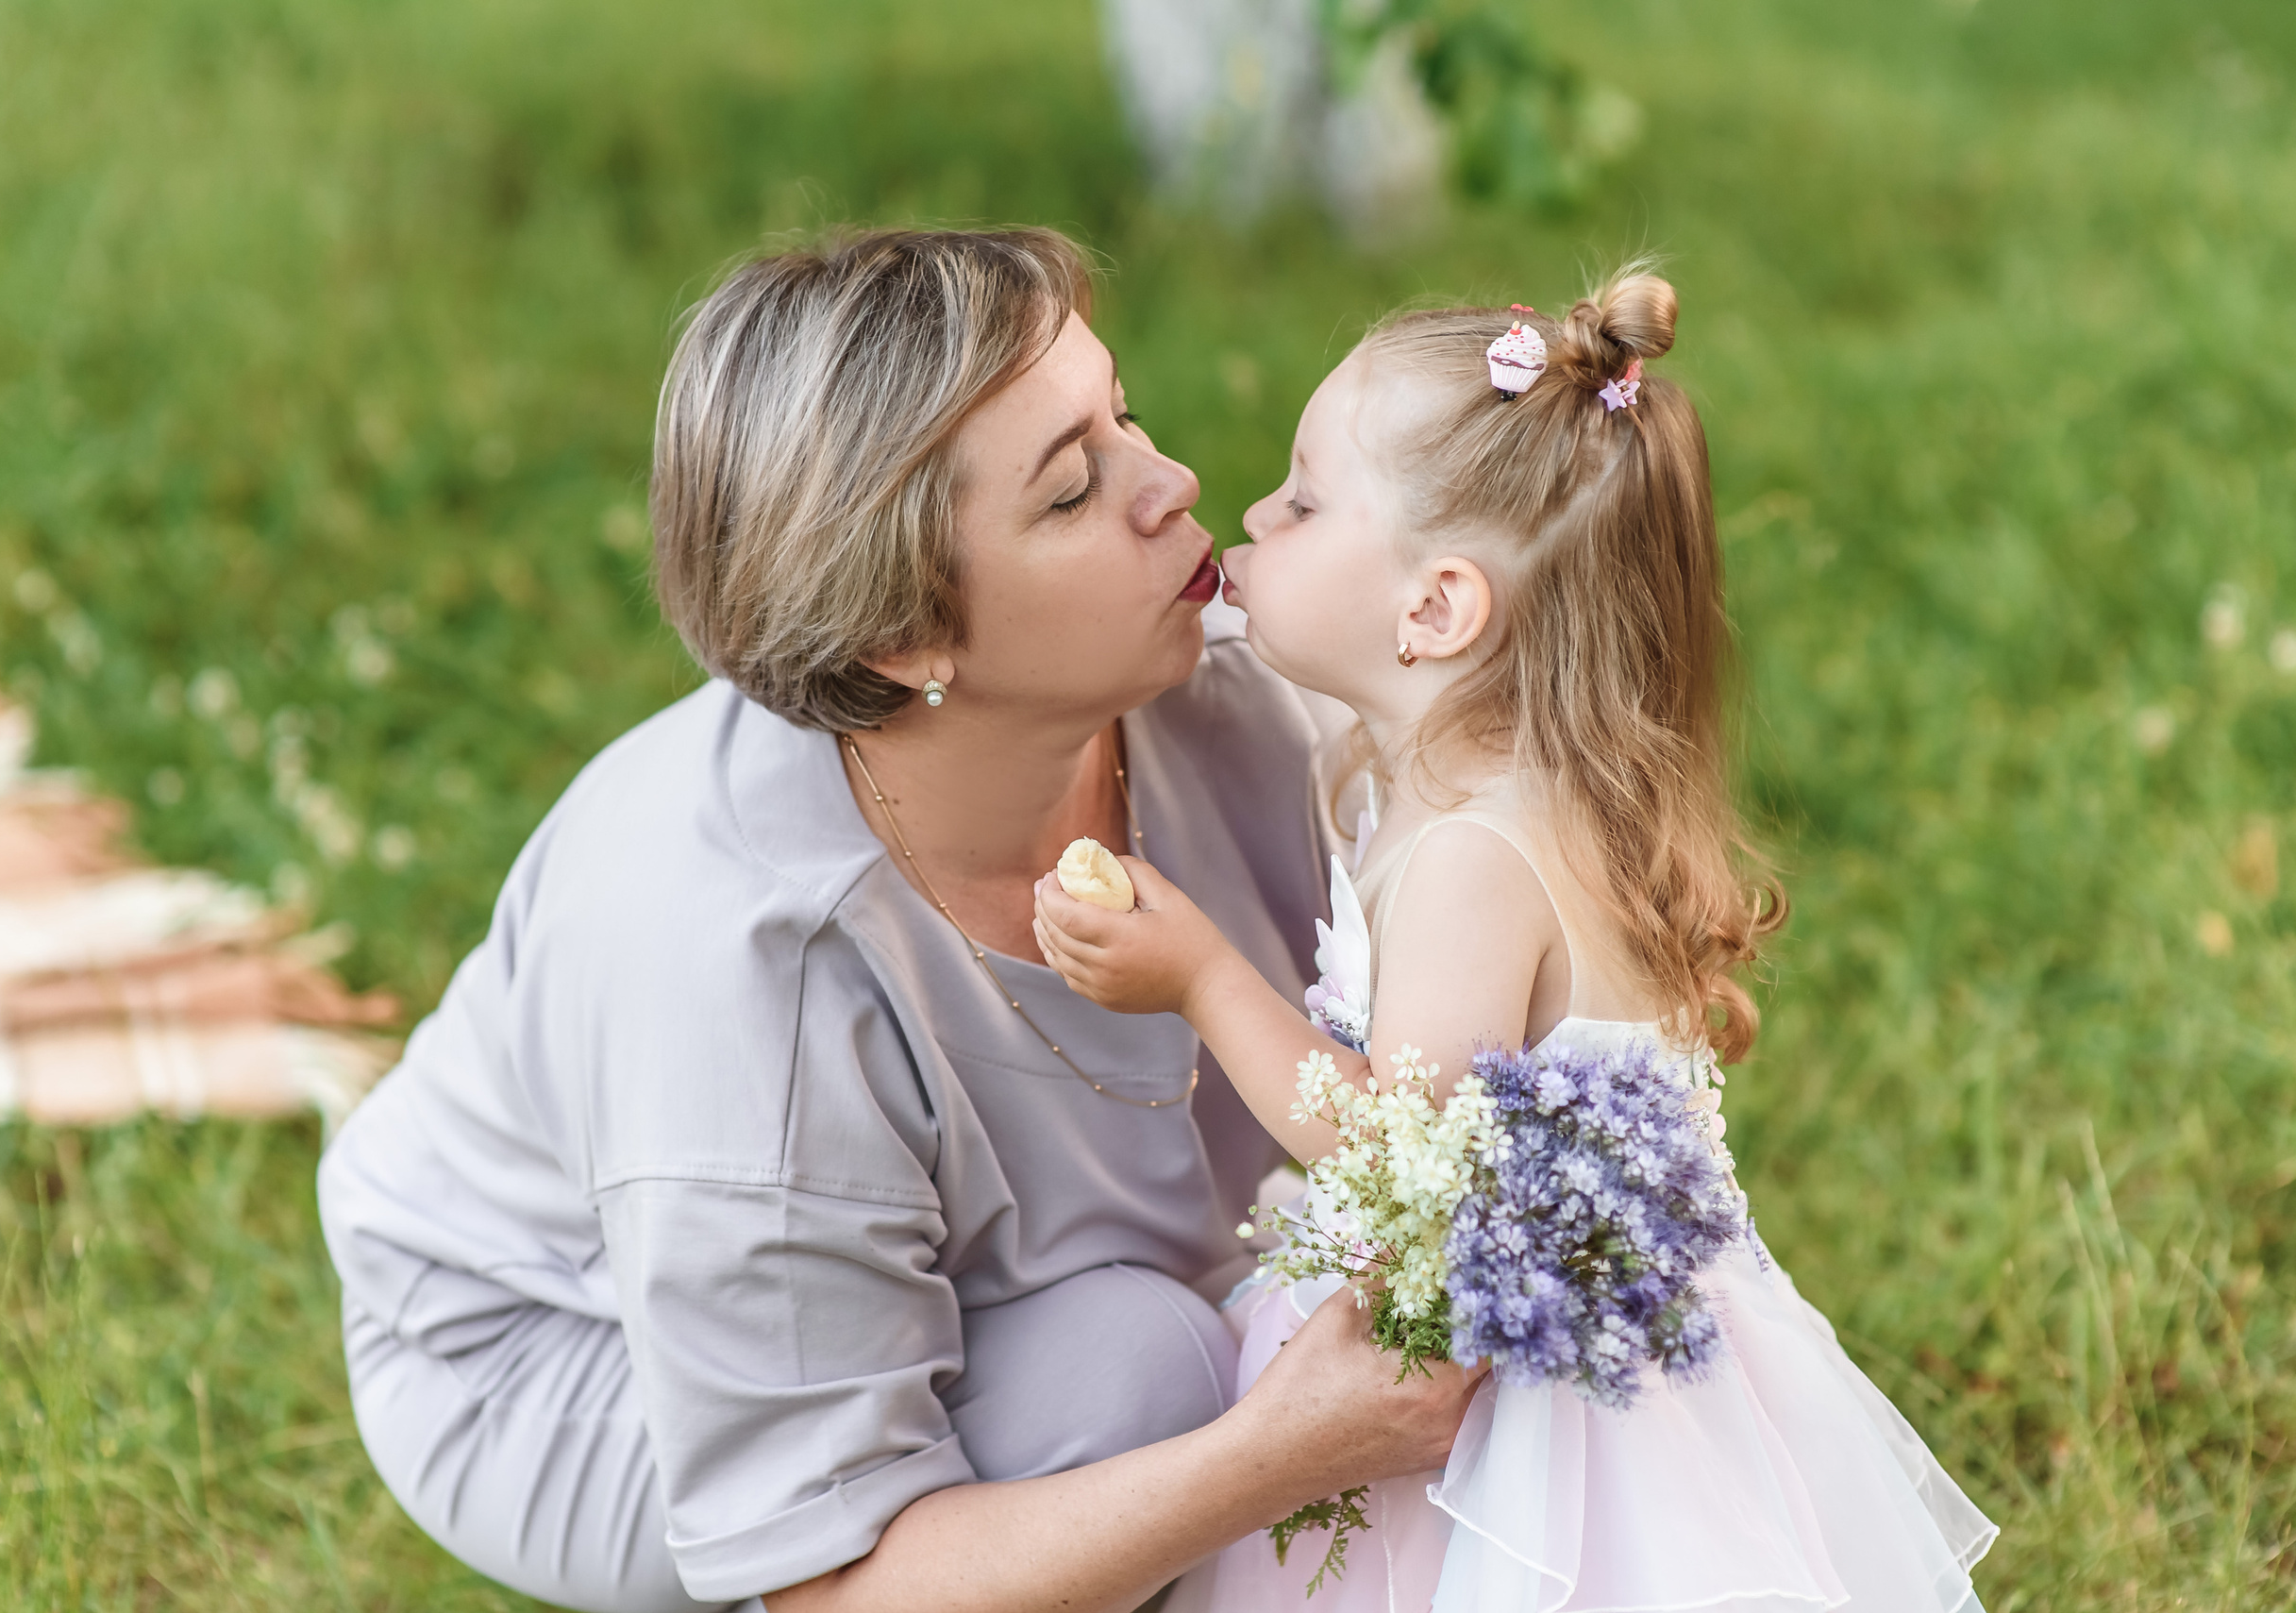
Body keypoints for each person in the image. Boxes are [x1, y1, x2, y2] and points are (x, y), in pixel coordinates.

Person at [315, 227, 1483, 1613]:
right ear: (904, 639)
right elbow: (835, 1588)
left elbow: (1499, 851)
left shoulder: (1218, 689)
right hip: (568, 1353)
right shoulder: (748, 975)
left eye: (1121, 416)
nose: (1172, 485)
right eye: (1070, 493)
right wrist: (1276, 1452)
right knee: (1140, 1373)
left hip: (957, 1263)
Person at [1033, 270, 2000, 1611]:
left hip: (1526, 1412)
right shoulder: (1447, 769)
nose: (1249, 511)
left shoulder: (1475, 857)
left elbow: (1397, 1157)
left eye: (1303, 500)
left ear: (1434, 613)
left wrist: (1198, 974)